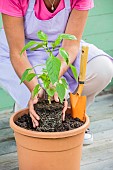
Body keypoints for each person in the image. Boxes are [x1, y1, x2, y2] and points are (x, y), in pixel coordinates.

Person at [0, 0, 113, 145]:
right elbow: (17, 53)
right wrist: (35, 89)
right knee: (41, 92)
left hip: (61, 46)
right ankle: (26, 107)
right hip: (23, 50)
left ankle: (73, 116)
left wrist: (54, 80)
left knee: (102, 69)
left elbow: (71, 46)